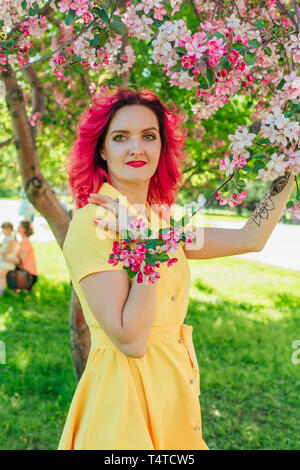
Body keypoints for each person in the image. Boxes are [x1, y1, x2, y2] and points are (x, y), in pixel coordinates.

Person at [58, 88, 294, 450]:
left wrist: (289, 165)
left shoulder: (159, 220)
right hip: (125, 401)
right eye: (121, 137)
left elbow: (250, 237)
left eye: (149, 136)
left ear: (161, 148)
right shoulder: (92, 224)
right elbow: (131, 340)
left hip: (175, 393)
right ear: (102, 149)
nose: (137, 148)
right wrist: (145, 249)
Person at [4, 220, 38, 293]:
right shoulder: (23, 241)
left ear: (24, 229)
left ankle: (23, 288)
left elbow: (21, 261)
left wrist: (6, 259)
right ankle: (21, 290)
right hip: (25, 273)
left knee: (7, 269)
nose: (17, 228)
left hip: (29, 275)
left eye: (19, 227)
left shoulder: (25, 242)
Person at [0, 222, 17, 296]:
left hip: (8, 260)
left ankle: (1, 291)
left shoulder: (11, 237)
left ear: (9, 229)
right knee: (2, 275)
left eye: (5, 229)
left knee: (2, 275)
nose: (3, 230)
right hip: (4, 259)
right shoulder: (6, 237)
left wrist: (2, 252)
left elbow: (10, 249)